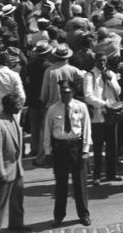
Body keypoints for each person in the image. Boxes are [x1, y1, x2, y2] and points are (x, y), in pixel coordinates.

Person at [43, 79, 91, 227]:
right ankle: (58, 216)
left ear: (73, 92)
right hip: (60, 148)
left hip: (76, 147)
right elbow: (47, 131)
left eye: (67, 92)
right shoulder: (53, 109)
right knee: (61, 184)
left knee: (80, 184)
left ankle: (83, 214)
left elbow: (87, 129)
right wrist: (47, 151)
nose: (65, 95)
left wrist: (85, 151)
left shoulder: (81, 107)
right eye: (62, 93)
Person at [0, 93, 28, 233]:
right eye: (17, 105)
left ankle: (17, 224)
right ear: (8, 106)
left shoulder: (14, 119)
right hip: (3, 171)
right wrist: (0, 173)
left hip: (16, 168)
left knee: (17, 200)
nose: (20, 107)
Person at [83, 51, 122, 183]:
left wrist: (110, 80)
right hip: (98, 115)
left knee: (112, 146)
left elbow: (118, 91)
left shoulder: (110, 74)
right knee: (98, 148)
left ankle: (112, 173)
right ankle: (97, 175)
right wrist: (103, 104)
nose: (102, 63)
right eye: (100, 61)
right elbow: (88, 96)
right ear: (95, 61)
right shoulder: (90, 76)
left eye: (105, 61)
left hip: (111, 114)